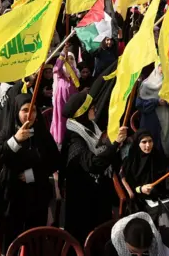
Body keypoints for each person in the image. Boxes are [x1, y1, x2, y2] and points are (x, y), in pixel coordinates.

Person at [0, 93, 60, 252]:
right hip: (11, 196)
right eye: (25, 110)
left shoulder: (42, 134)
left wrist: (34, 174)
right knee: (11, 240)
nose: (30, 114)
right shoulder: (7, 133)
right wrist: (15, 140)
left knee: (34, 241)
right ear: (16, 111)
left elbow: (55, 161)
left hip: (36, 194)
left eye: (34, 110)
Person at [61, 91, 128, 245]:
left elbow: (101, 147)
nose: (95, 110)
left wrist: (113, 143)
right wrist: (114, 144)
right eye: (92, 108)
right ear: (82, 112)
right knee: (85, 237)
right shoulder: (74, 139)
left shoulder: (90, 126)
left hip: (97, 193)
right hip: (83, 198)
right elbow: (92, 164)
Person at [120, 129, 169, 214]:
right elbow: (128, 184)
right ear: (137, 144)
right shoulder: (131, 161)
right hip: (141, 200)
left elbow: (167, 177)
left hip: (160, 196)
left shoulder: (158, 156)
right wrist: (141, 189)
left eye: (150, 141)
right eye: (144, 142)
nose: (148, 145)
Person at [135, 66, 169, 157]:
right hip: (150, 121)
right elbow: (139, 104)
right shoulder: (146, 84)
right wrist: (156, 102)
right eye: (161, 65)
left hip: (167, 120)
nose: (163, 68)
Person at [105, 212, 169, 256]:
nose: (139, 255)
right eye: (133, 252)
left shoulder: (155, 244)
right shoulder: (112, 249)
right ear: (124, 240)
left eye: (145, 252)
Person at [51, 51, 80, 147]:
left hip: (72, 97)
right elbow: (57, 67)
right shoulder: (60, 73)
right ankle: (61, 139)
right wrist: (63, 54)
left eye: (72, 58)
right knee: (62, 118)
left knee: (72, 117)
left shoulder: (75, 71)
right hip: (61, 98)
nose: (70, 60)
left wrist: (70, 66)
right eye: (68, 59)